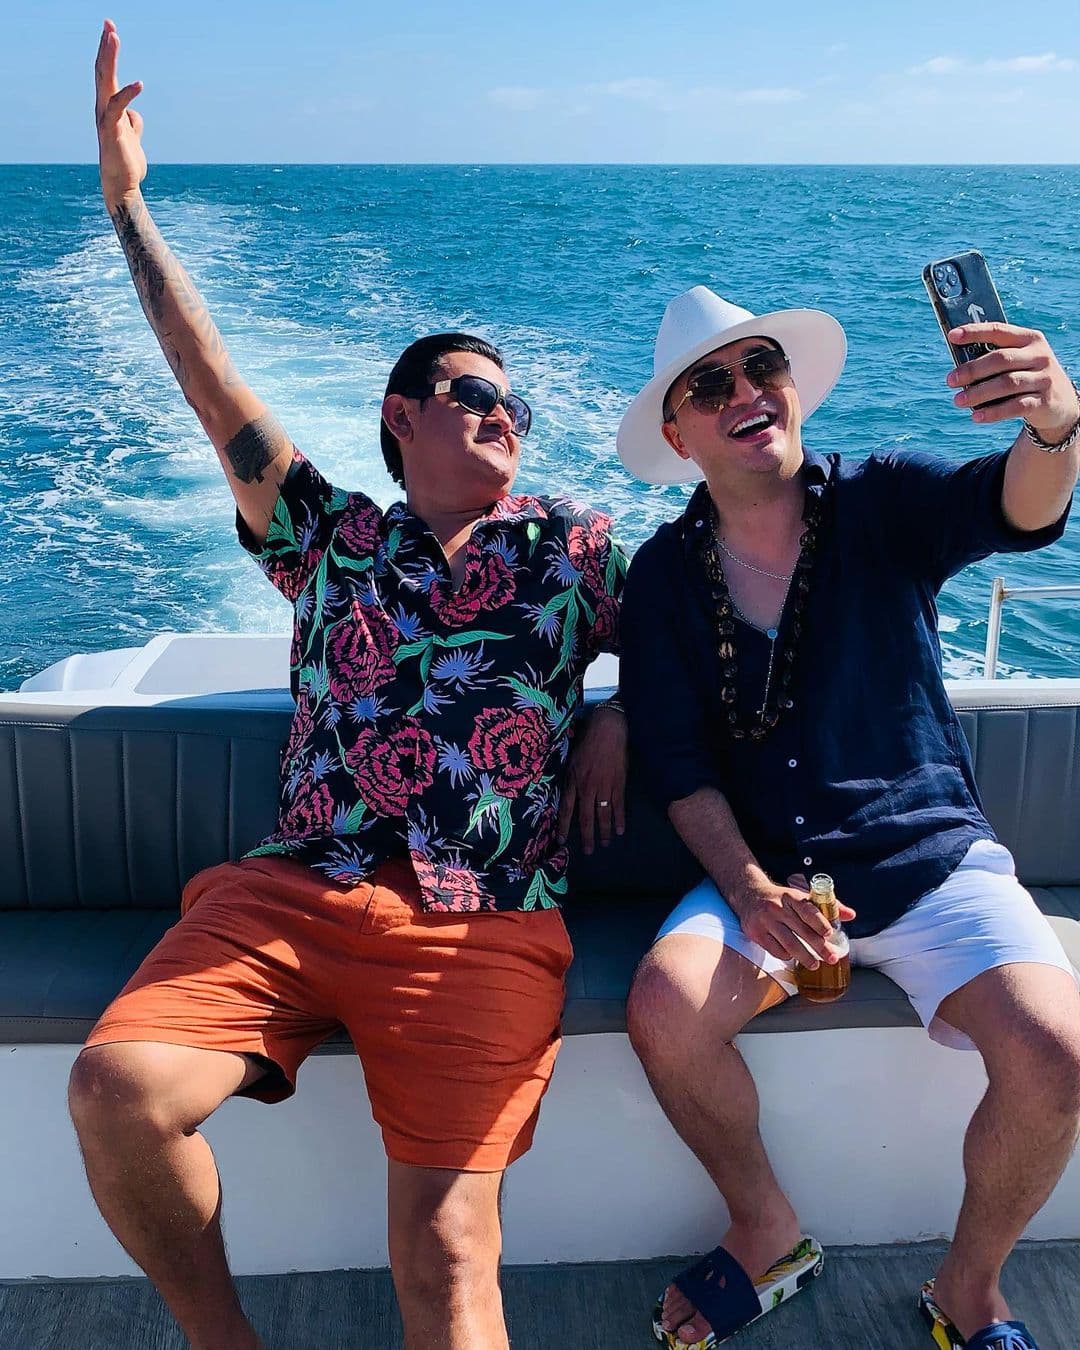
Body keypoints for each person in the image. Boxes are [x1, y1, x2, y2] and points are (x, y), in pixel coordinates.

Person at [68, 22, 628, 1350]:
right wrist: (128, 206)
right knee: (115, 1091)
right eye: (473, 392)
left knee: (446, 1250)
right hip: (294, 892)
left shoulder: (574, 547)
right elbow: (207, 380)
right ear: (400, 415)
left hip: (482, 920)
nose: (503, 413)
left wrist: (625, 711)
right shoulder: (329, 536)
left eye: (515, 405)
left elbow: (705, 636)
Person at [617, 283, 1080, 1350]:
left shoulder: (882, 500)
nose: (746, 391)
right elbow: (680, 768)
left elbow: (1015, 507)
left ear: (792, 388)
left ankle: (970, 1288)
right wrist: (748, 890)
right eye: (709, 385)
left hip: (928, 862)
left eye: (762, 366)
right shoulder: (663, 579)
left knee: (1057, 1051)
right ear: (679, 435)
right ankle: (766, 1227)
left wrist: (1055, 425)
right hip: (771, 879)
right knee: (664, 1011)